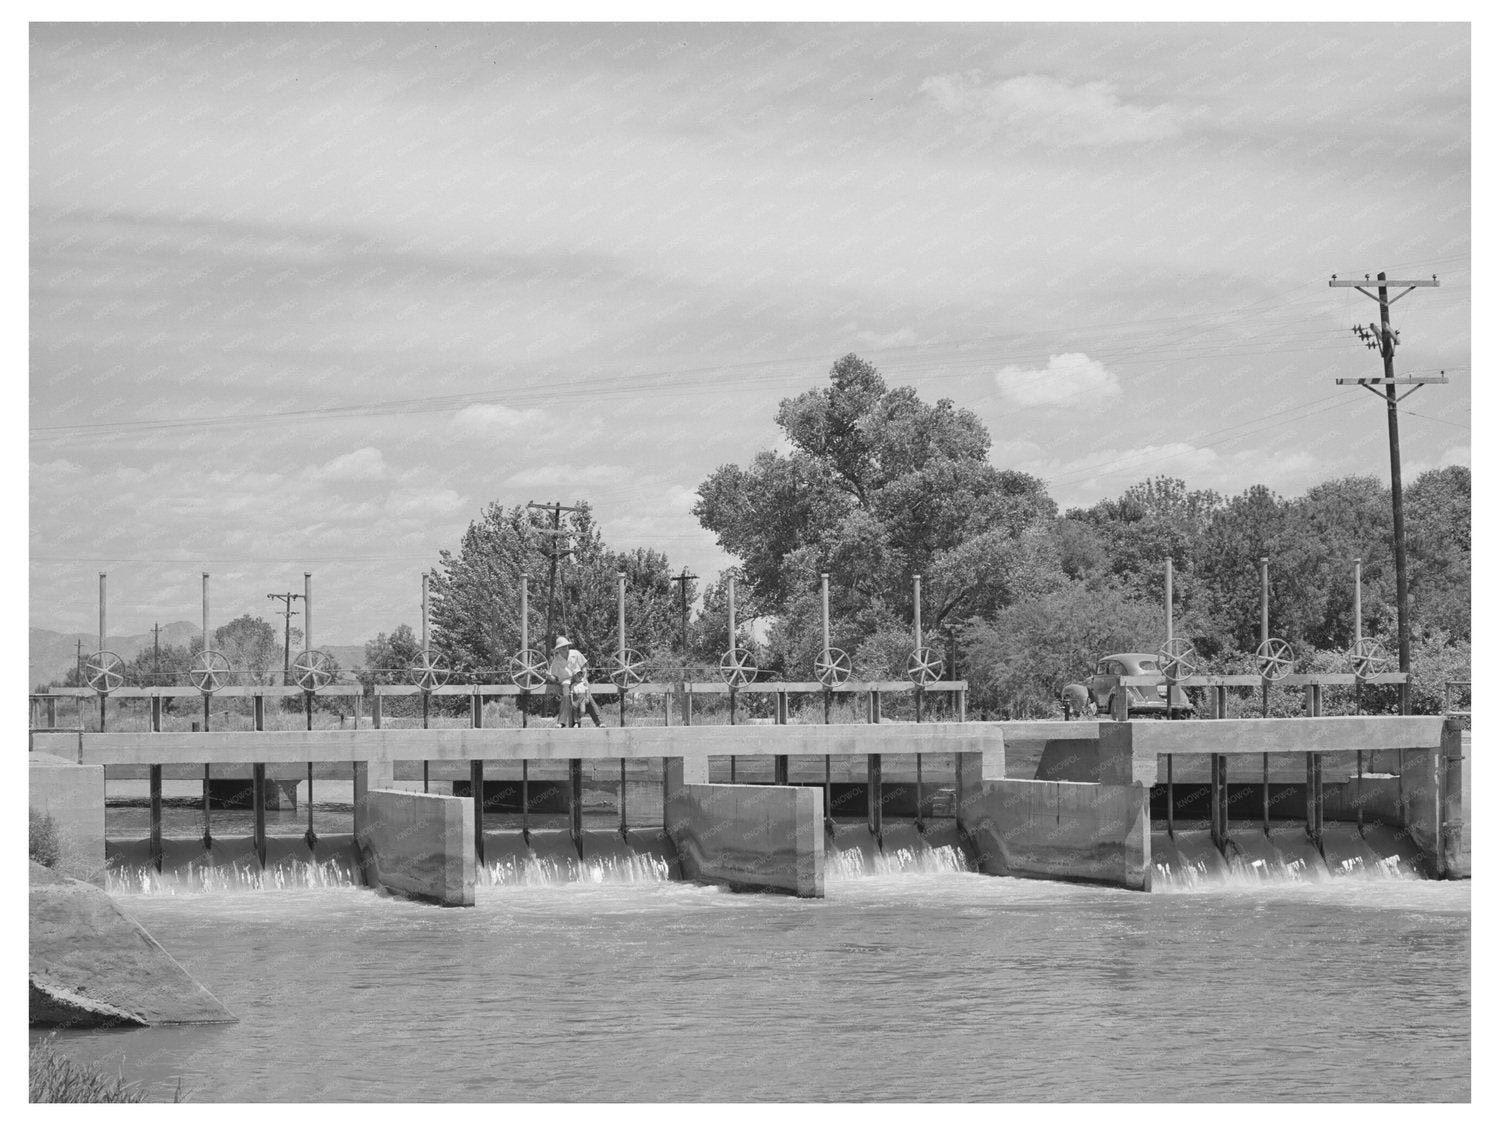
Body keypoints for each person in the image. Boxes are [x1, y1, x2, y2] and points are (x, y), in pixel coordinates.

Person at [547, 636, 601, 727]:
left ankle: (599, 721)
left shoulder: (575, 653)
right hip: (566, 681)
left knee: (587, 696)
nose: (565, 648)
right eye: (562, 647)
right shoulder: (556, 661)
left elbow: (584, 667)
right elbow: (555, 679)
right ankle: (561, 722)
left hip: (578, 679)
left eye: (566, 646)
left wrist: (585, 679)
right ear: (558, 649)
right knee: (566, 695)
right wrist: (549, 676)